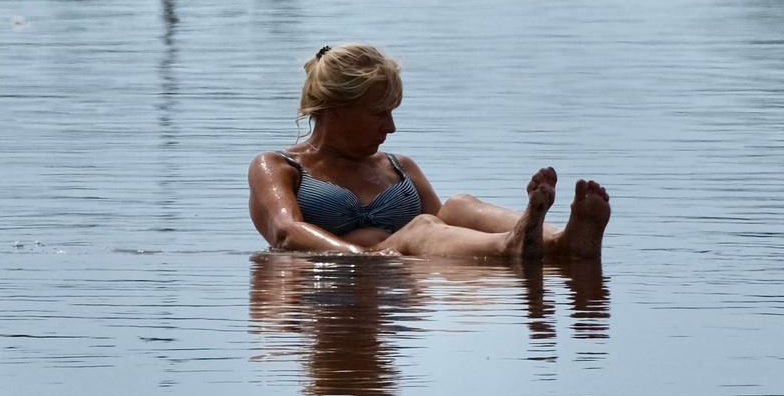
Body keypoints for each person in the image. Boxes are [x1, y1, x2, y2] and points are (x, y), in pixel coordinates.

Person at [246, 43, 609, 264]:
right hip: (355, 276)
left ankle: (562, 241)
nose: (390, 128)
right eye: (378, 114)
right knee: (422, 227)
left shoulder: (398, 167)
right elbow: (286, 232)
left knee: (458, 206)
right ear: (334, 109)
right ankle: (513, 244)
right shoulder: (279, 166)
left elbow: (452, 230)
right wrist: (363, 257)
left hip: (405, 278)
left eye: (392, 113)